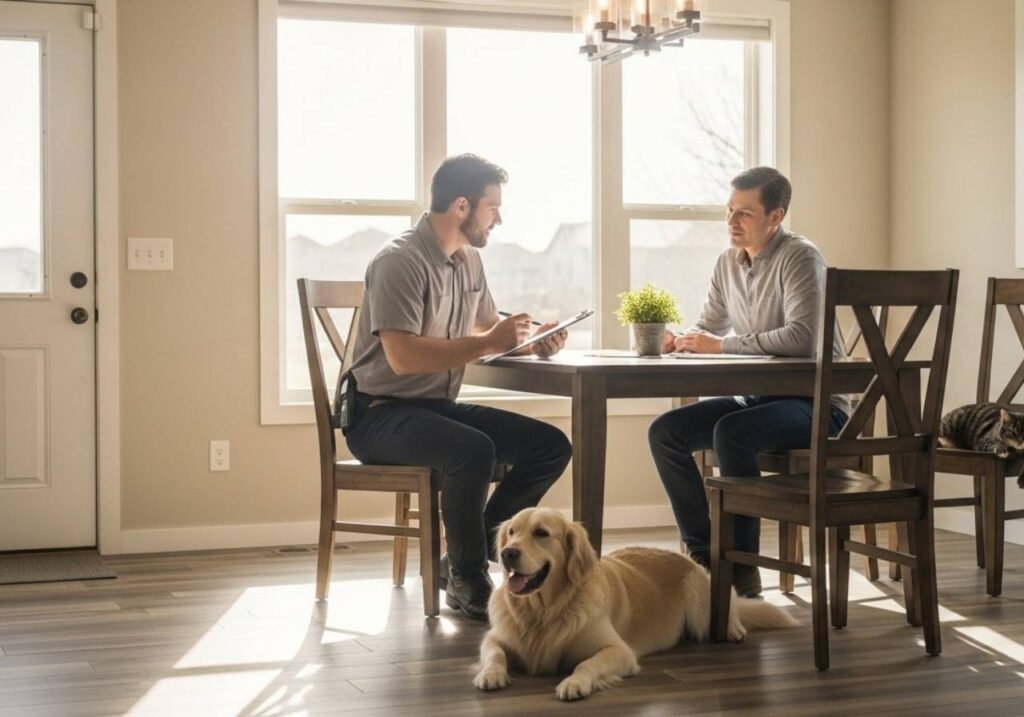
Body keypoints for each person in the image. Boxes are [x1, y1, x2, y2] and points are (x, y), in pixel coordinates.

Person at [344, 154, 573, 620]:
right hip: (377, 415)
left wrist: (531, 343)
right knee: (472, 451)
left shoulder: (466, 261)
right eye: (494, 208)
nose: (500, 218)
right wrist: (488, 341)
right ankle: (467, 580)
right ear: (463, 206)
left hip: (431, 409)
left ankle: (465, 556)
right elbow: (403, 356)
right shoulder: (399, 261)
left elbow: (489, 328)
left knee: (549, 446)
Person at [647, 166, 849, 598]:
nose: (732, 223)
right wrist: (680, 340)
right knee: (666, 432)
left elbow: (803, 338)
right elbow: (710, 326)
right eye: (729, 211)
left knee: (731, 432)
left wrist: (718, 345)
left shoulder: (800, 258)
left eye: (745, 213)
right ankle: (706, 558)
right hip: (761, 400)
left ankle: (743, 569)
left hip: (816, 405)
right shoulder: (727, 263)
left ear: (775, 217)